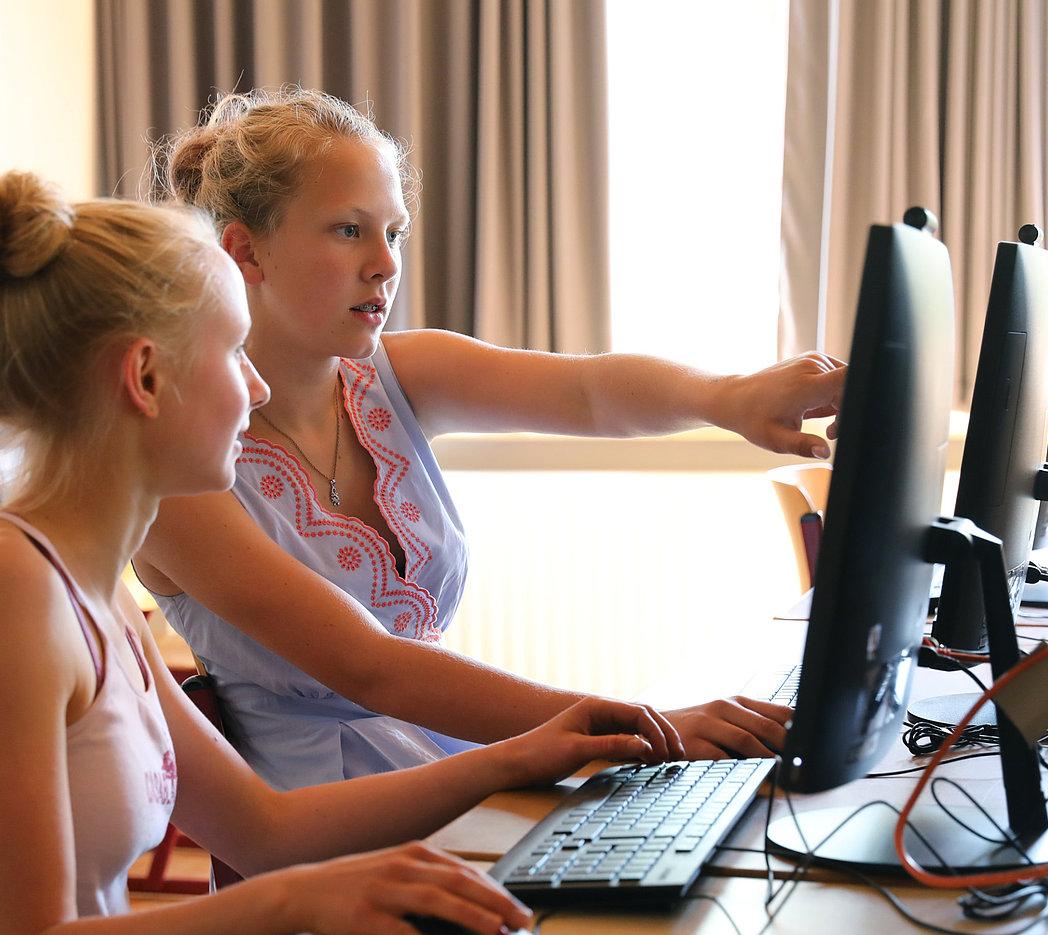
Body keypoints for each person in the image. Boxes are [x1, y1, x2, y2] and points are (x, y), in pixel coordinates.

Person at [0, 169, 681, 935]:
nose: (255, 387)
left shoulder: (91, 591)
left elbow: (263, 829)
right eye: (234, 353)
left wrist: (518, 757)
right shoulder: (19, 594)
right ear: (146, 378)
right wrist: (290, 904)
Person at [134, 85, 846, 798]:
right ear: (245, 251)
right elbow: (370, 667)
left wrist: (731, 397)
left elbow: (587, 390)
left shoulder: (394, 374)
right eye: (349, 230)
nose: (385, 263)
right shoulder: (174, 467)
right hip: (328, 818)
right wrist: (640, 725)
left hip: (453, 767)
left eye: (394, 233)